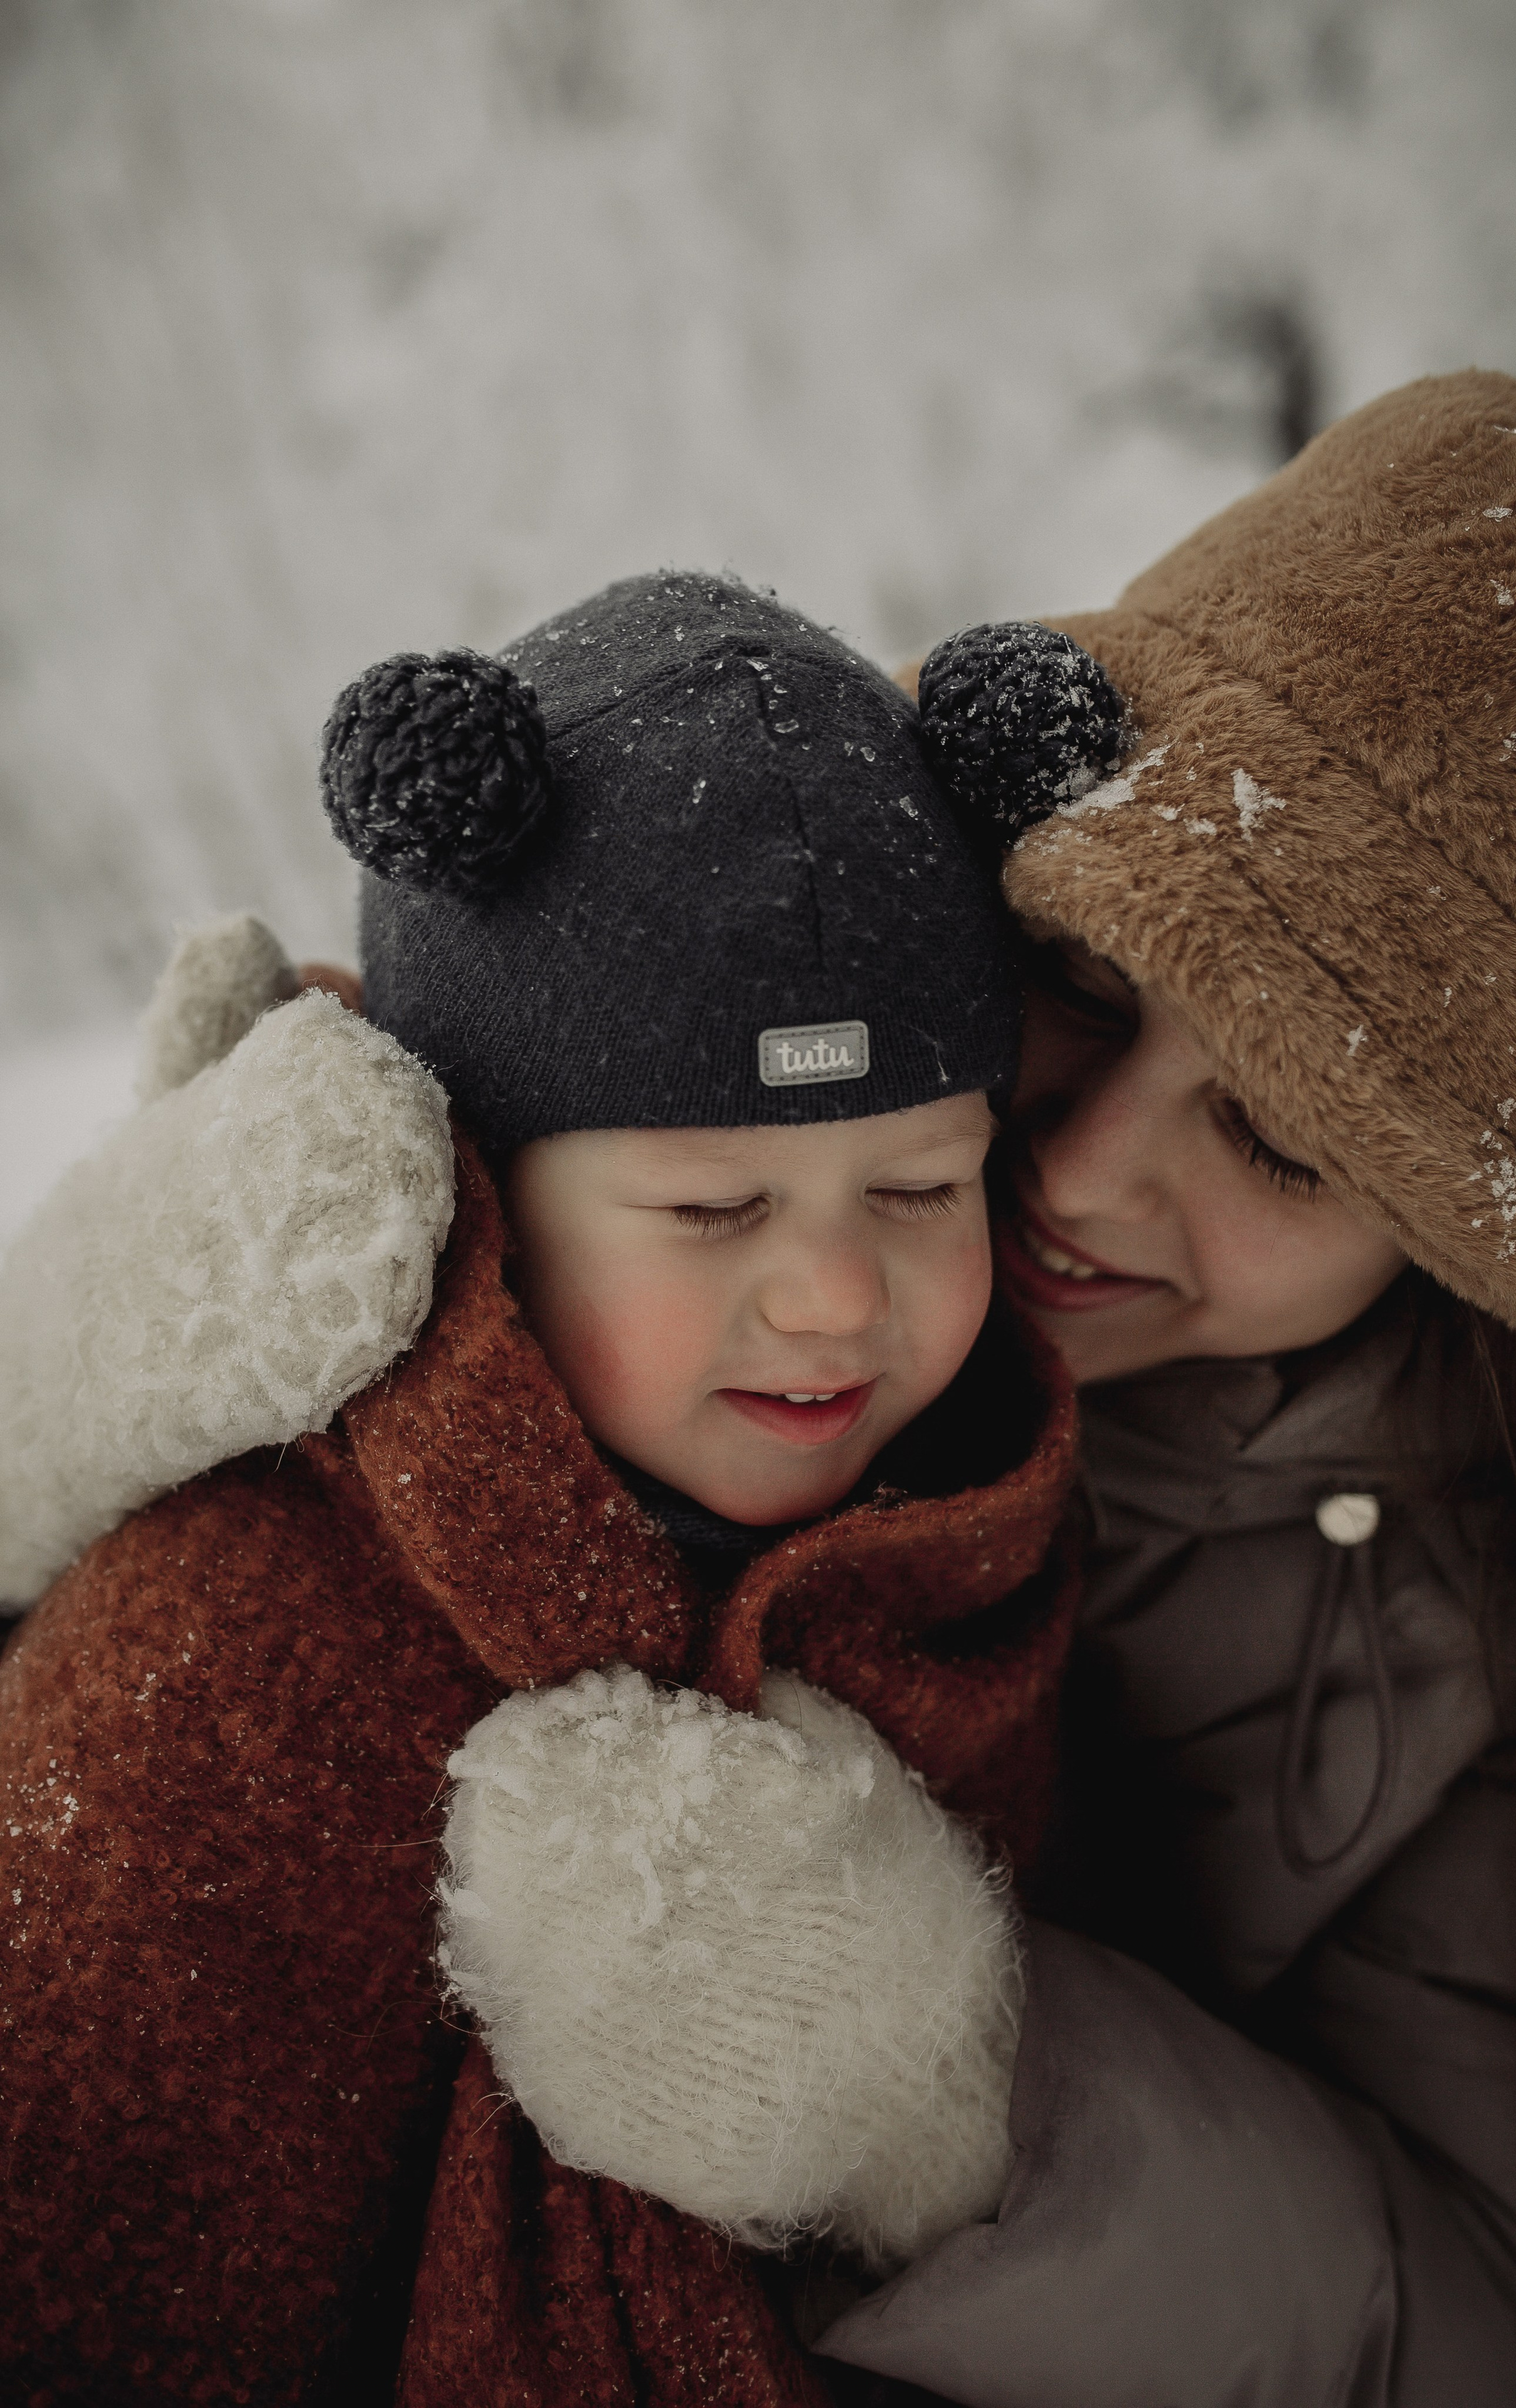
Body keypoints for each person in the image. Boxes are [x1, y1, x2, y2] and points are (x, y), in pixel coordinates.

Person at [5, 367, 1516, 2404]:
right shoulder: (668, 1215)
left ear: (1461, 1227)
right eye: (1087, 993)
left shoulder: (1491, 1627)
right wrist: (79, 1392)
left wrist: (946, 2108)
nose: (1082, 1175)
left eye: (1288, 1143)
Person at [0, 570, 1102, 2403]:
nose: (837, 1293)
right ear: (487, 1192)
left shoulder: (985, 1537)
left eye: (920, 1190)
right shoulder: (232, 1652)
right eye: (709, 1209)